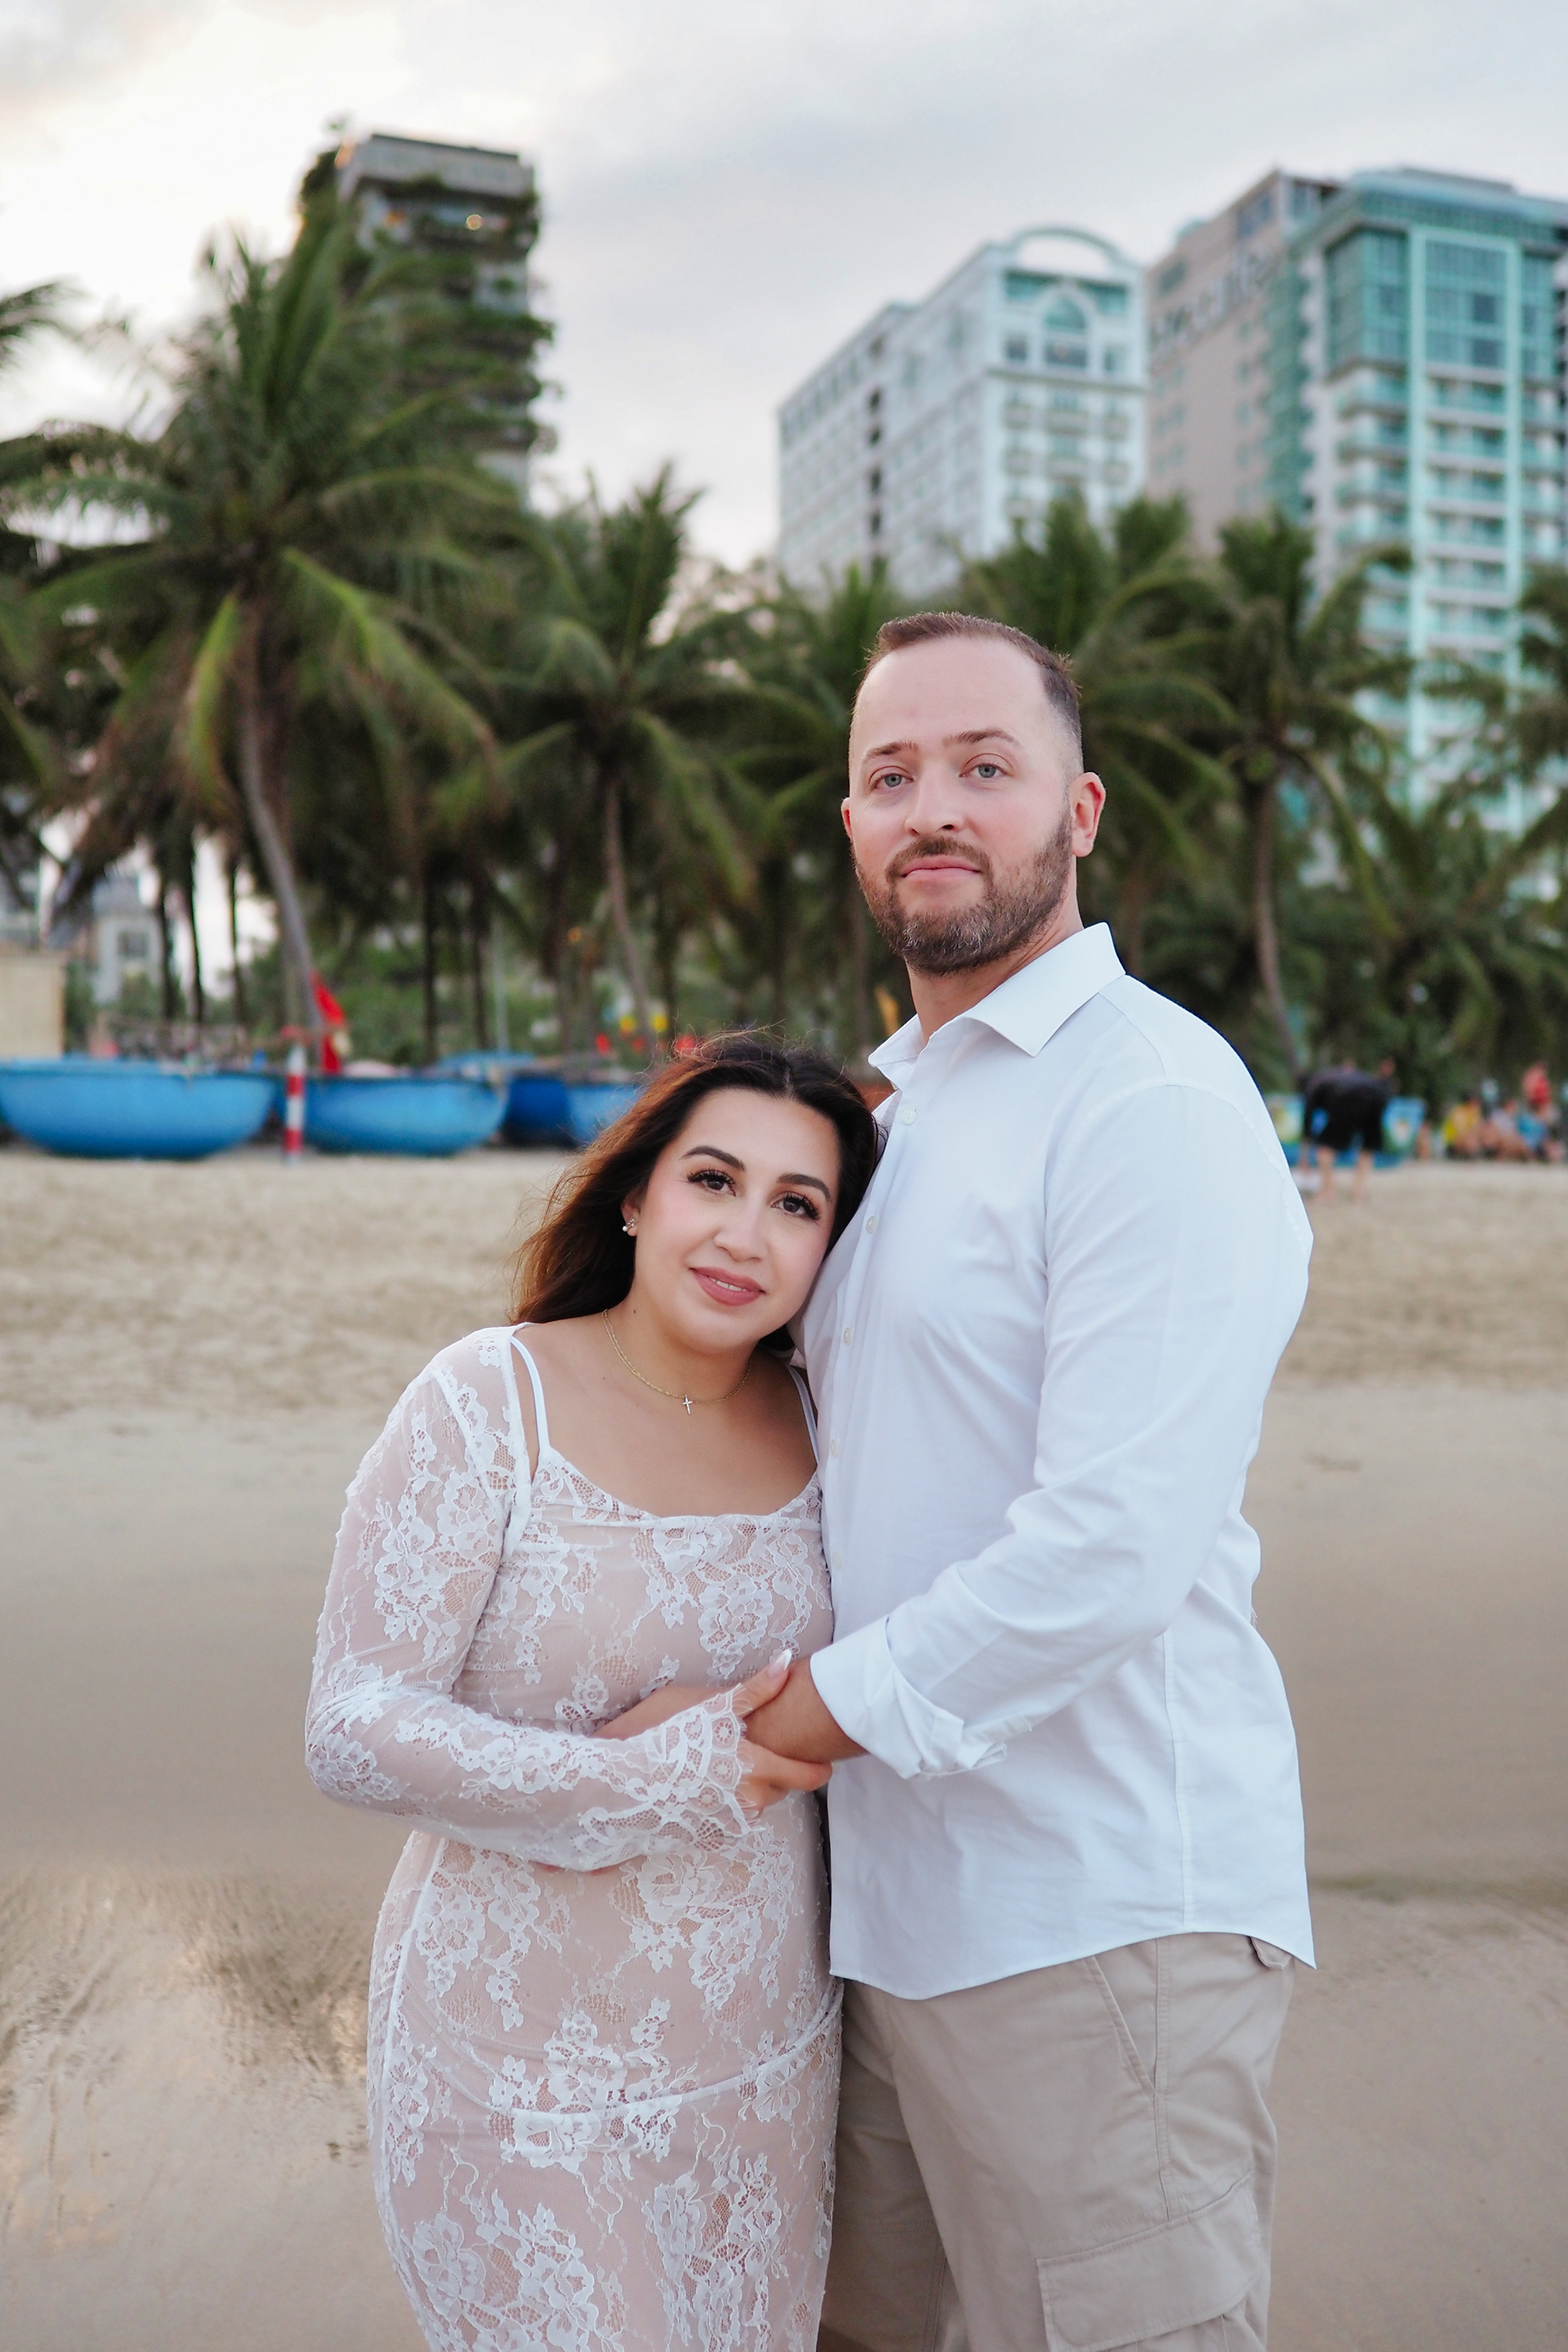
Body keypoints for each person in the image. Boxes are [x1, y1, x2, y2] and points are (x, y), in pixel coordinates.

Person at [738, 612, 1315, 2352]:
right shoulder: (888, 1113)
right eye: (893, 775)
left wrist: (803, 1717)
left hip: (1094, 1916)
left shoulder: (1145, 1094)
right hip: (882, 1914)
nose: (937, 809)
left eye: (986, 768)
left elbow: (1113, 1547)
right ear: (849, 826)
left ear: (1080, 810)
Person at [305, 1036, 880, 2352]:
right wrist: (639, 1784)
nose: (746, 1233)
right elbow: (349, 1725)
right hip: (511, 2071)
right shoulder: (483, 1402)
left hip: (762, 2065)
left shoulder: (832, 1419)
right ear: (636, 1195)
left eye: (798, 1204)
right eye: (714, 1179)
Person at [1303, 1058, 1392, 1201]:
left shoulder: (1312, 1086)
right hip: (1378, 1095)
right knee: (1368, 1145)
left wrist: (1304, 1157)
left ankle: (1328, 1191)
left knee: (1325, 1147)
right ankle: (1358, 1193)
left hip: (1347, 1097)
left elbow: (1307, 1125)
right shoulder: (1330, 1077)